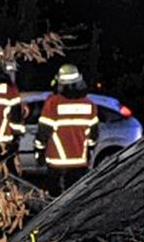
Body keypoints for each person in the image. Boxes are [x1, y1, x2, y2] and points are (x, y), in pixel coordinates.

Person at [35, 64, 99, 195]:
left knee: (54, 201)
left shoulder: (53, 103)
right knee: (75, 199)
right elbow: (93, 135)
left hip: (56, 162)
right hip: (79, 162)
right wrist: (89, 150)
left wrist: (39, 151)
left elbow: (43, 132)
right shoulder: (89, 104)